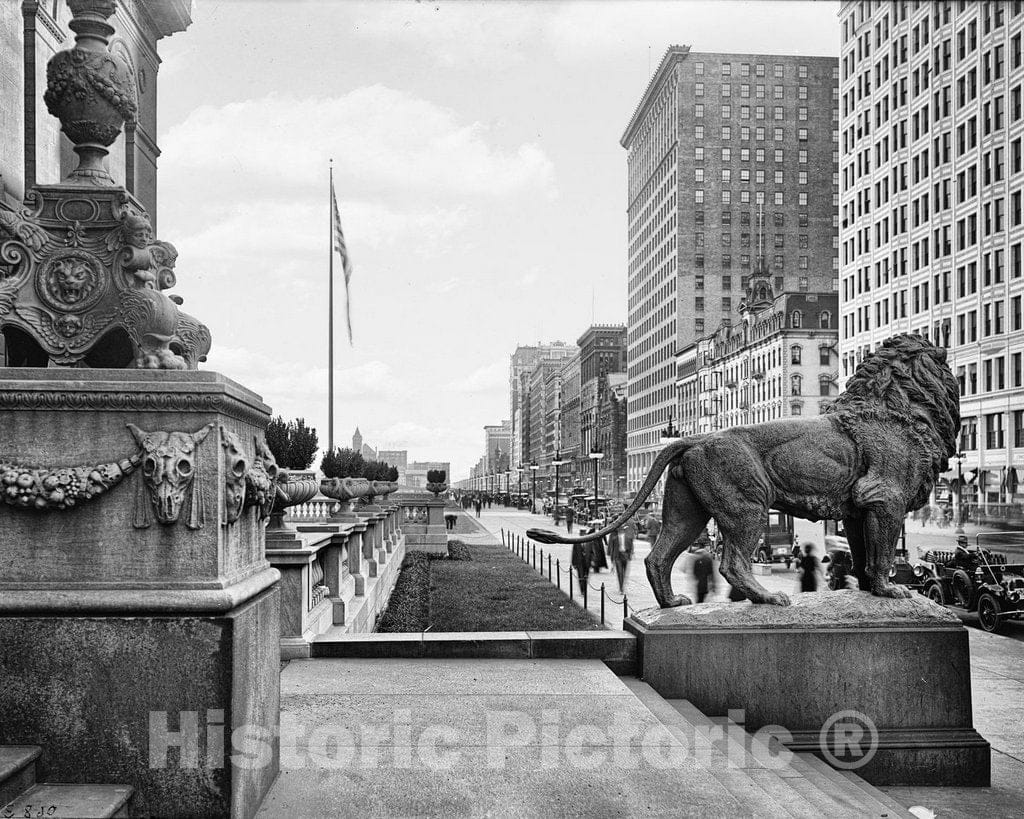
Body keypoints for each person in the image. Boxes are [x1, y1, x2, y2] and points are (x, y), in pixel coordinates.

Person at [610, 518, 636, 592]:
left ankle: (622, 585)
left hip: (625, 556)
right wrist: (612, 561)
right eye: (620, 529)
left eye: (622, 529)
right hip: (618, 557)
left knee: (624, 573)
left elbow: (631, 548)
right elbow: (613, 550)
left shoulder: (628, 538)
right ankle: (621, 588)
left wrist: (629, 556)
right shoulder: (614, 539)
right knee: (620, 572)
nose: (621, 531)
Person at [692, 538, 715, 603]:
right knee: (702, 599)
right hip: (705, 583)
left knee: (700, 598)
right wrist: (713, 585)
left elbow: (694, 572)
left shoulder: (696, 558)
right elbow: (711, 573)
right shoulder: (708, 559)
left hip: (698, 583)